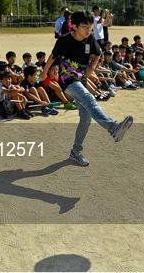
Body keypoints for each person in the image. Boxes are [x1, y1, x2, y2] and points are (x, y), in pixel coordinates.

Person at [40, 10, 133, 167]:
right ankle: (113, 128)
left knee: (86, 118)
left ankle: (75, 152)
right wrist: (44, 73)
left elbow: (98, 53)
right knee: (90, 99)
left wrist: (90, 70)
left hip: (80, 79)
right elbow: (53, 56)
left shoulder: (89, 39)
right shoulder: (64, 40)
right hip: (67, 79)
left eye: (90, 26)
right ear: (74, 26)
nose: (88, 30)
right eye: (84, 26)